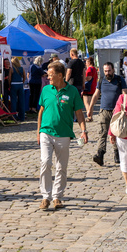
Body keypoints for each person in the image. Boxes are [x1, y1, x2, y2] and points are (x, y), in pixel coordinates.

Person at [37, 61, 87, 210]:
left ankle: (57, 196)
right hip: (46, 132)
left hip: (64, 134)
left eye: (51, 75)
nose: (48, 78)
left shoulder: (72, 91)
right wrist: (38, 131)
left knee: (61, 166)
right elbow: (41, 111)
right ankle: (45, 196)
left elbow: (79, 113)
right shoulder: (46, 90)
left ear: (60, 75)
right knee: (45, 162)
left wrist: (83, 130)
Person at [90, 62, 127, 166]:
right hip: (104, 111)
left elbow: (124, 94)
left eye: (109, 70)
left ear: (113, 70)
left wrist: (125, 108)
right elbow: (96, 94)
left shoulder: (120, 80)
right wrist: (90, 108)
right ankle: (100, 154)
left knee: (116, 133)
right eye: (105, 71)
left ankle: (117, 154)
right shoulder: (101, 80)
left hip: (117, 112)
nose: (107, 73)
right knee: (102, 133)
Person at [82, 56, 98, 122]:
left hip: (88, 87)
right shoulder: (94, 68)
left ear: (88, 62)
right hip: (93, 87)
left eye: (86, 62)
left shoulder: (89, 69)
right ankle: (90, 116)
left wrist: (83, 78)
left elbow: (89, 78)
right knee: (91, 103)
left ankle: (89, 116)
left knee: (86, 102)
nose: (85, 63)